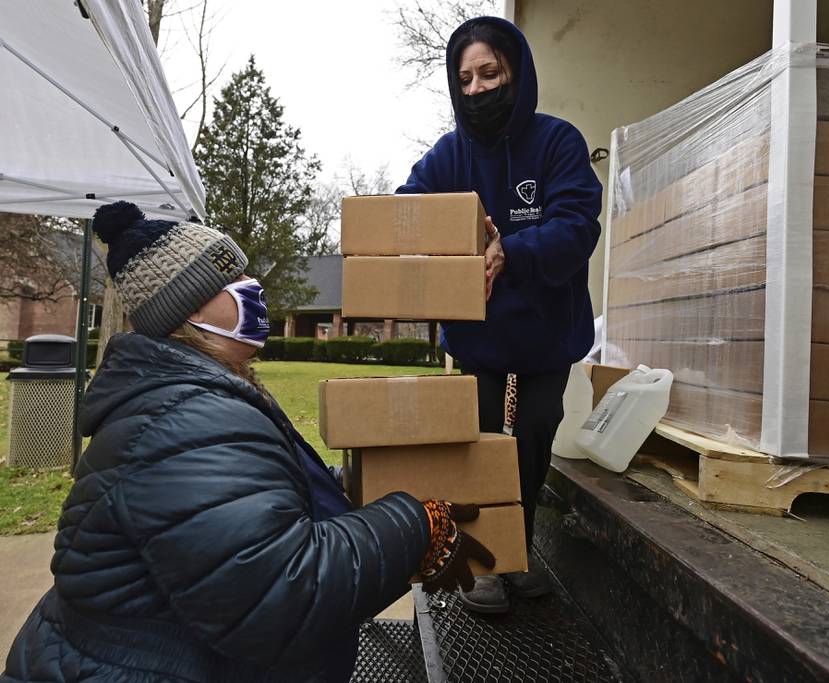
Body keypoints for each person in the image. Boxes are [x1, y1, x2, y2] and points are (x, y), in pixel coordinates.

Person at [2, 202, 493, 683]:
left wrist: (353, 485)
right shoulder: (186, 419)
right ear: (186, 310)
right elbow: (282, 591)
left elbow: (244, 507)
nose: (251, 289)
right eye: (227, 282)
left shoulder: (191, 396)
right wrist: (415, 527)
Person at [398, 16, 603, 614]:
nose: (478, 89)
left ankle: (523, 543)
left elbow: (576, 225)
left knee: (534, 433)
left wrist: (510, 249)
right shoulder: (449, 153)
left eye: (490, 73)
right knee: (480, 439)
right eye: (465, 79)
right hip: (477, 331)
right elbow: (409, 209)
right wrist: (445, 233)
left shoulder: (558, 142)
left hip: (546, 326)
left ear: (516, 73)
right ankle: (486, 553)